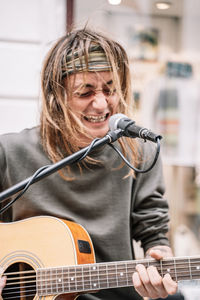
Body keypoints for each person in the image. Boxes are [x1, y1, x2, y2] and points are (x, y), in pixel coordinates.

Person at [0, 27, 177, 299]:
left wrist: (161, 257)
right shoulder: (9, 151)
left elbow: (154, 230)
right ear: (55, 97)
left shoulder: (140, 152)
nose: (101, 103)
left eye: (110, 89)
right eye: (85, 92)